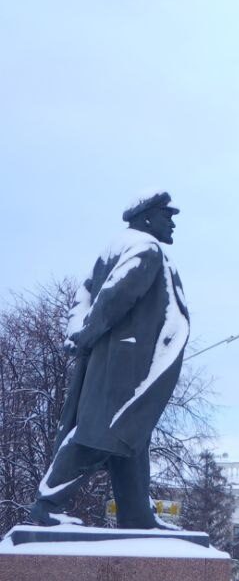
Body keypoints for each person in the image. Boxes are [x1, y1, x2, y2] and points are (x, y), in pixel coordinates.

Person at [27, 191, 190, 529]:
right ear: (147, 217)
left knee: (130, 438)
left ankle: (137, 516)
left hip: (118, 362)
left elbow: (83, 295)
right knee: (99, 433)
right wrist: (84, 335)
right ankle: (48, 505)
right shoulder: (145, 249)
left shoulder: (115, 247)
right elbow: (114, 297)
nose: (172, 221)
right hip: (126, 367)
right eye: (166, 214)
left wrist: (77, 334)